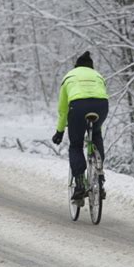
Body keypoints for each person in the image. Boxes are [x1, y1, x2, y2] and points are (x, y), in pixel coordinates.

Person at [52, 51, 109, 201]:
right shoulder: (98, 76)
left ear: (76, 66)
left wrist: (60, 131)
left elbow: (63, 110)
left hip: (78, 106)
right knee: (96, 135)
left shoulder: (69, 76)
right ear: (91, 67)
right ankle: (99, 179)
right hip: (101, 105)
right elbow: (102, 94)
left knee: (76, 145)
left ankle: (79, 184)